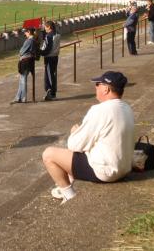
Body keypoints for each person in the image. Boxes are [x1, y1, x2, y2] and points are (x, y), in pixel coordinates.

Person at [42, 71, 134, 203]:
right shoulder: (126, 108)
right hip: (124, 168)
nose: (95, 88)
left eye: (98, 84)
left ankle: (68, 194)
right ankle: (64, 186)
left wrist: (75, 132)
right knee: (87, 146)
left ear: (106, 89)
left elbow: (74, 145)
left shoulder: (99, 110)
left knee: (49, 154)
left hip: (106, 172)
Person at [11, 28, 36, 104]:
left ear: (29, 32)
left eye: (26, 32)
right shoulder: (33, 40)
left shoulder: (29, 41)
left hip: (25, 61)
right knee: (22, 80)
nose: (25, 34)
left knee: (23, 80)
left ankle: (23, 97)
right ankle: (18, 97)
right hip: (29, 61)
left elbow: (21, 51)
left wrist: (20, 52)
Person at [40, 20, 61, 101]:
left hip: (49, 57)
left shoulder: (49, 36)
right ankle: (52, 93)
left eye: (45, 27)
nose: (44, 28)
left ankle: (51, 94)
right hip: (55, 56)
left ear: (48, 27)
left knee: (49, 76)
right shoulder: (57, 33)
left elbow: (47, 48)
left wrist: (41, 52)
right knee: (52, 74)